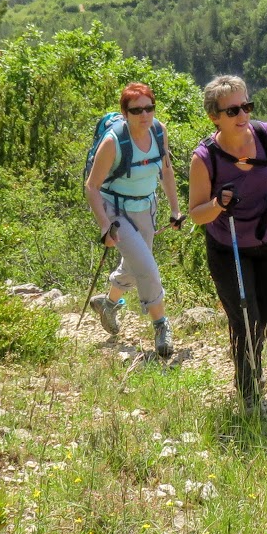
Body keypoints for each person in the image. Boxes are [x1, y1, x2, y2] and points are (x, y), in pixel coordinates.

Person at [186, 75, 267, 412]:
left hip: (266, 239)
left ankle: (248, 359)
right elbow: (196, 214)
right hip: (227, 246)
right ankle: (249, 393)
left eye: (246, 105)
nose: (242, 114)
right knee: (246, 321)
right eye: (232, 110)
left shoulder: (266, 135)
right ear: (214, 116)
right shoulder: (204, 158)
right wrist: (218, 203)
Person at [85, 82, 183, 357]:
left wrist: (175, 210)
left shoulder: (158, 131)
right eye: (136, 109)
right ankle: (161, 326)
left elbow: (166, 169)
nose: (144, 114)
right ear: (125, 113)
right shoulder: (113, 141)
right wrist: (105, 226)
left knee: (135, 262)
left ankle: (108, 304)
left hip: (146, 208)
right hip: (116, 212)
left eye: (149, 107)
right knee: (148, 268)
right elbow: (91, 187)